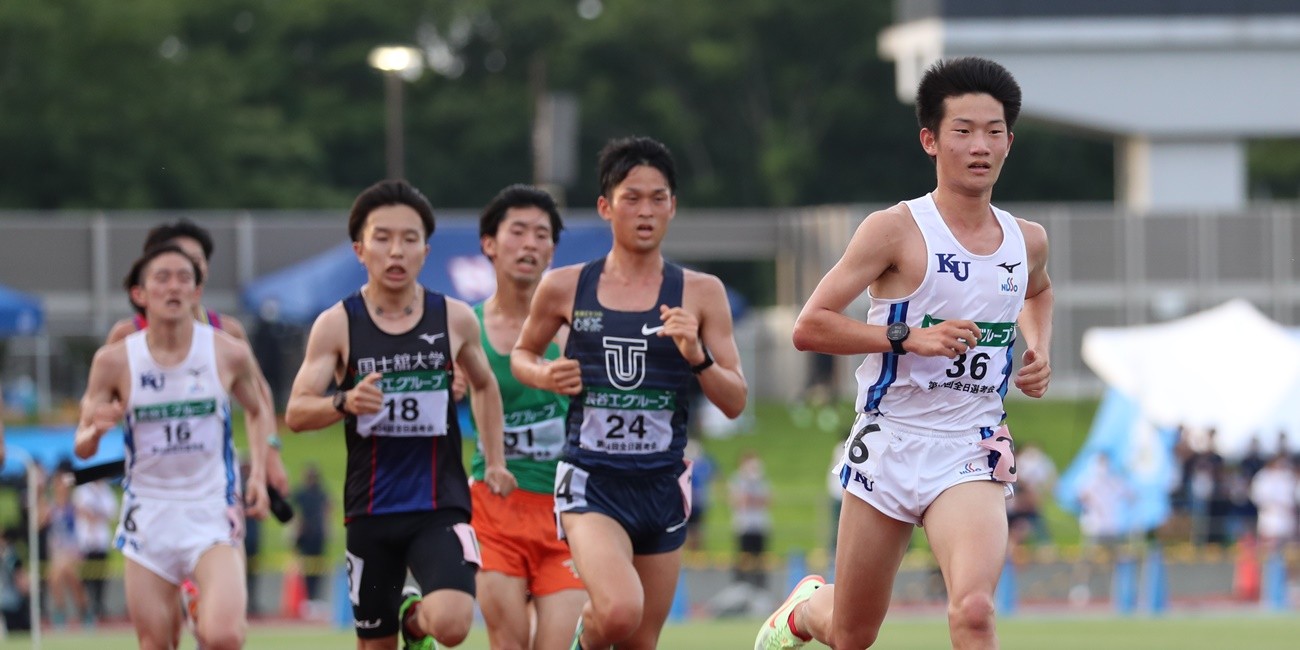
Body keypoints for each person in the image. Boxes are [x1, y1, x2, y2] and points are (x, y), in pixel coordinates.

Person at [754, 57, 1052, 650]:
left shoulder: (1028, 240)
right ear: (930, 139)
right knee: (851, 634)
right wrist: (905, 336)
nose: (980, 146)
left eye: (994, 132)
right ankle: (806, 609)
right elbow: (810, 326)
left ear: (1010, 142)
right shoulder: (894, 229)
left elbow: (1037, 292)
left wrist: (1038, 348)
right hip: (890, 437)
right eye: (962, 131)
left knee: (973, 612)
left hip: (972, 443)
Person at [511, 136, 748, 650]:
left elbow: (735, 399)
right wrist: (545, 376)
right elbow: (522, 355)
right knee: (618, 612)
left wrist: (697, 356)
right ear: (605, 206)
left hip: (662, 485)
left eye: (658, 198)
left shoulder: (701, 292)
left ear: (673, 207)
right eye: (631, 197)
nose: (646, 210)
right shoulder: (566, 286)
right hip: (592, 480)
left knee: (640, 641)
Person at [284, 179, 515, 650]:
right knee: (376, 645)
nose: (396, 251)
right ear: (359, 249)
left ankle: (415, 618)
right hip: (370, 508)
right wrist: (343, 401)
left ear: (425, 251)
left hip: (439, 504)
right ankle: (403, 622)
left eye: (409, 239)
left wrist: (495, 460)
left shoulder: (453, 318)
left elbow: (486, 383)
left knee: (452, 624)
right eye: (382, 238)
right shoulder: (338, 324)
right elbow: (295, 411)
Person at [74, 243, 271, 649]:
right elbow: (82, 447)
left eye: (184, 278)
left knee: (224, 636)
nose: (173, 287)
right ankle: (187, 602)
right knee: (156, 643)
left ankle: (198, 605)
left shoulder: (227, 352)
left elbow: (258, 408)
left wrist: (262, 475)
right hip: (148, 513)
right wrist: (96, 430)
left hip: (210, 507)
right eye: (161, 278)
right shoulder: (113, 361)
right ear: (140, 294)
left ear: (198, 292)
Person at [450, 184, 588, 650]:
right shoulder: (464, 328)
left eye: (542, 234)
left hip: (566, 511)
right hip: (493, 505)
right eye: (518, 231)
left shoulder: (575, 332)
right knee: (509, 642)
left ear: (552, 249)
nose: (530, 243)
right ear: (489, 243)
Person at [106, 218, 289, 497]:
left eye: (196, 261)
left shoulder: (227, 332)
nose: (187, 268)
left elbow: (259, 398)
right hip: (151, 490)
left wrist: (270, 455)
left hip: (214, 488)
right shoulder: (127, 336)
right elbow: (97, 409)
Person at [42, 464, 89, 628]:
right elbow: (38, 523)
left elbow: (84, 528)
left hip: (73, 553)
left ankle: (79, 611)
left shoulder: (74, 506)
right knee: (57, 575)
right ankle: (67, 612)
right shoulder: (50, 507)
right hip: (57, 554)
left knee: (67, 573)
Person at [73, 476, 118, 625]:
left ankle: (99, 609)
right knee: (85, 580)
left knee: (101, 580)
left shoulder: (106, 491)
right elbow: (82, 511)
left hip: (101, 543)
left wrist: (96, 514)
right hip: (85, 544)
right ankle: (87, 610)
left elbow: (111, 513)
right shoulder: (83, 490)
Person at [728, 451, 772, 590]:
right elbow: (738, 501)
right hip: (744, 526)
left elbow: (767, 500)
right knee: (743, 559)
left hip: (759, 525)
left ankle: (760, 587)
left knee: (759, 560)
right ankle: (741, 586)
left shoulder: (761, 480)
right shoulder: (737, 480)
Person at [291, 463, 331, 605]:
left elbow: (327, 509)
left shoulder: (321, 493)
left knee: (318, 566)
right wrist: (295, 529)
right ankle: (308, 598)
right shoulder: (301, 494)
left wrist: (327, 528)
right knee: (306, 567)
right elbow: (294, 512)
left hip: (317, 534)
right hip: (306, 534)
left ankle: (315, 598)